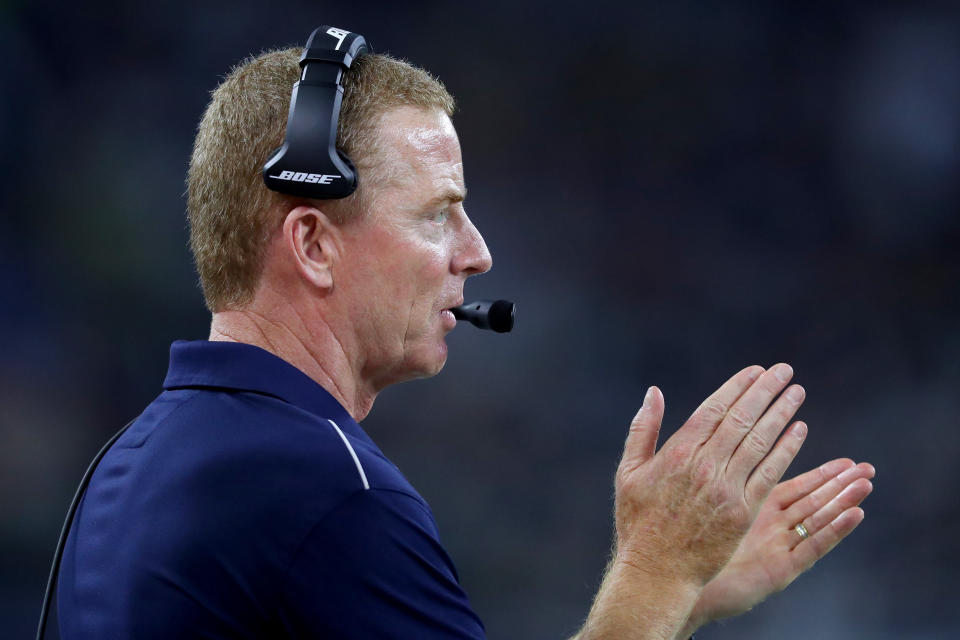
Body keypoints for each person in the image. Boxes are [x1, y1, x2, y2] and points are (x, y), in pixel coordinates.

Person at [55, 40, 875, 640]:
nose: (476, 252)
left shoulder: (124, 464)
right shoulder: (327, 491)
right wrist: (658, 567)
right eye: (436, 212)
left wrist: (678, 590)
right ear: (311, 244)